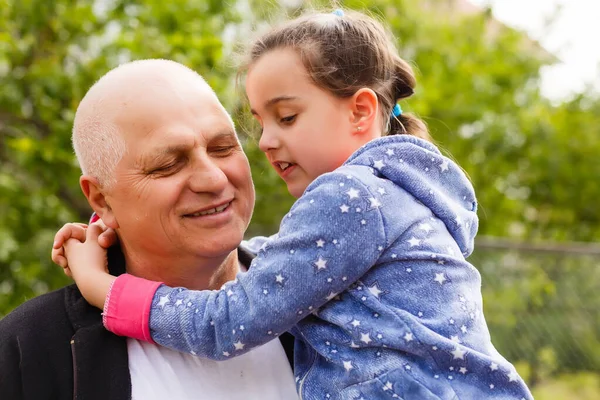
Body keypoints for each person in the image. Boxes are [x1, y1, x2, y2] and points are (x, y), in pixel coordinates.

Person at [58, 9, 533, 400]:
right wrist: (117, 222)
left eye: (287, 117)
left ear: (360, 111)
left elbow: (227, 323)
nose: (266, 141)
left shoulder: (352, 195)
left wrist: (100, 284)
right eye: (261, 123)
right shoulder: (399, 189)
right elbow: (292, 261)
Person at [0, 59, 298, 400]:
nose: (214, 179)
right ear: (102, 200)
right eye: (168, 165)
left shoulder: (320, 297)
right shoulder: (31, 349)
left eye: (223, 148)